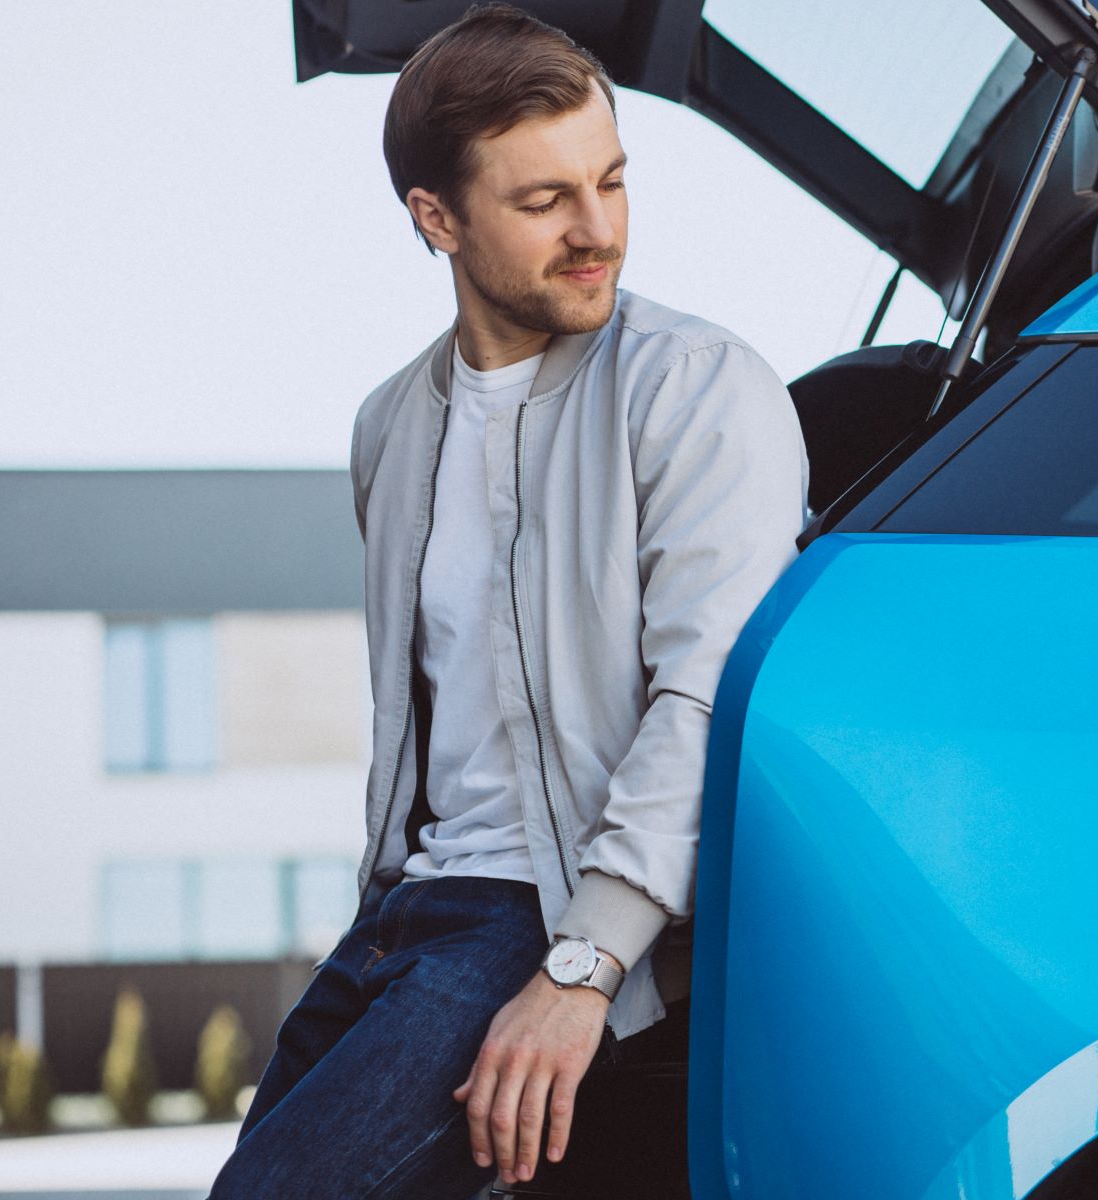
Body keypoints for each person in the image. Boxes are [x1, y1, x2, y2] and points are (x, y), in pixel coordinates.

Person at [208, 4, 808, 1195]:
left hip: (545, 909)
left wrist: (585, 965)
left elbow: (706, 699)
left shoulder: (699, 388)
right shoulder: (390, 425)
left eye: (613, 182)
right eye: (545, 202)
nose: (599, 232)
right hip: (403, 912)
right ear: (437, 218)